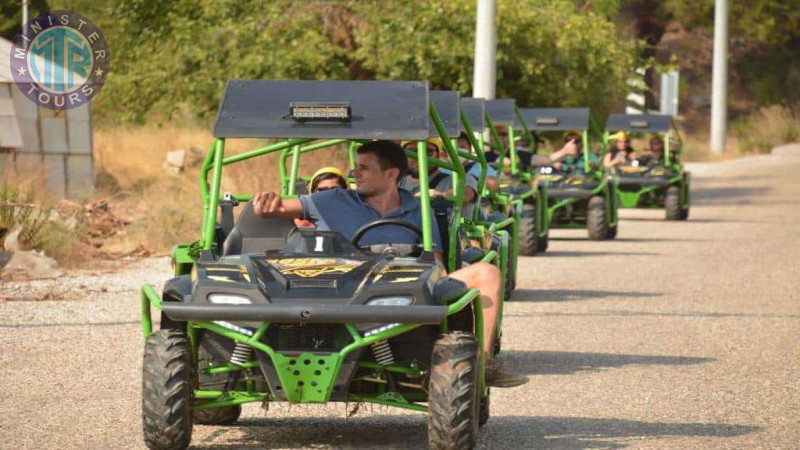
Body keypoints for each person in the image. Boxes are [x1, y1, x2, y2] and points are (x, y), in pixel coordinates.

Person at [252, 140, 527, 388]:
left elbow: (437, 265)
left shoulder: (419, 210)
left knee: (487, 272)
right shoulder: (331, 200)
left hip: (401, 292)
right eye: (355, 167)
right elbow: (276, 208)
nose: (354, 174)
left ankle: (483, 362)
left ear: (392, 174)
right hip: (340, 289)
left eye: (364, 168)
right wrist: (265, 205)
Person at [398, 139, 480, 222]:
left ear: (439, 155)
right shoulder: (396, 184)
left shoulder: (460, 179)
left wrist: (441, 195)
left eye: (427, 151)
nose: (419, 156)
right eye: (412, 151)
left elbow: (466, 194)